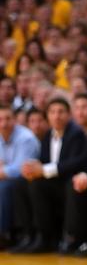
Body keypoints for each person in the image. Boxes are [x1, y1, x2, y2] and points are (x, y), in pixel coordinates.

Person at [12, 96, 87, 253]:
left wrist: (43, 170)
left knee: (38, 185)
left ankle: (58, 237)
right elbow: (43, 161)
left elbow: (74, 163)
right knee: (20, 183)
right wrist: (31, 168)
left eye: (61, 112)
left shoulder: (76, 134)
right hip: (53, 182)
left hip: (69, 182)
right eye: (52, 112)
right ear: (47, 116)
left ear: (69, 115)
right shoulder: (48, 134)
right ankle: (30, 234)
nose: (57, 115)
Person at [0, 104, 39, 249]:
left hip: (28, 179)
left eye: (8, 119)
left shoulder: (25, 137)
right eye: (0, 119)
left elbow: (21, 168)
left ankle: (3, 234)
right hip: (7, 178)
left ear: (15, 120)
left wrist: (4, 170)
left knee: (4, 188)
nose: (3, 123)